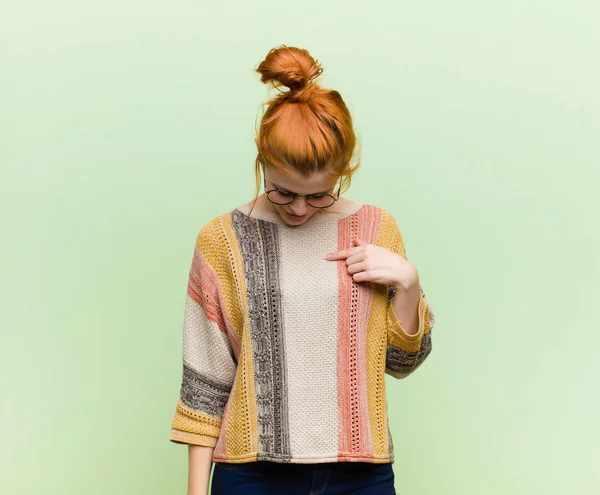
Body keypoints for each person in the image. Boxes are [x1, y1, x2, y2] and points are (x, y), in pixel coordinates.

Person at [168, 45, 435, 495]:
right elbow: (206, 381)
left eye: (318, 196)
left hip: (361, 474)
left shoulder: (375, 229)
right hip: (250, 473)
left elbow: (401, 364)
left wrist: (409, 282)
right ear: (261, 153)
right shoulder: (222, 241)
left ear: (343, 169)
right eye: (282, 191)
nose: (298, 208)